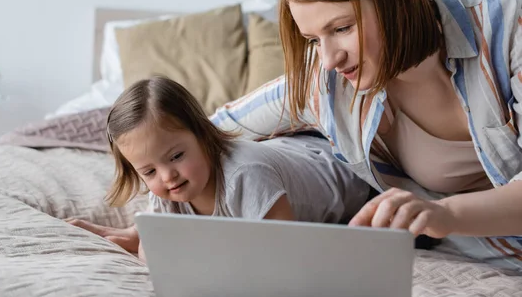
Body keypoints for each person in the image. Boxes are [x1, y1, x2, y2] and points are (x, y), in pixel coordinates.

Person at [210, 0, 522, 271]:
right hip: (473, 258)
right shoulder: (327, 80)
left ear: (396, 0)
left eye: (341, 28)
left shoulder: (508, 21)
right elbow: (218, 127)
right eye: (313, 40)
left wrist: (444, 214)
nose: (328, 59)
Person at [67, 76, 370, 261]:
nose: (166, 176)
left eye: (175, 156)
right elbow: (155, 251)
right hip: (283, 151)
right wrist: (143, 236)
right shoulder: (166, 184)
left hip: (337, 164)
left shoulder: (245, 177)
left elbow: (284, 252)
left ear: (202, 133)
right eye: (148, 172)